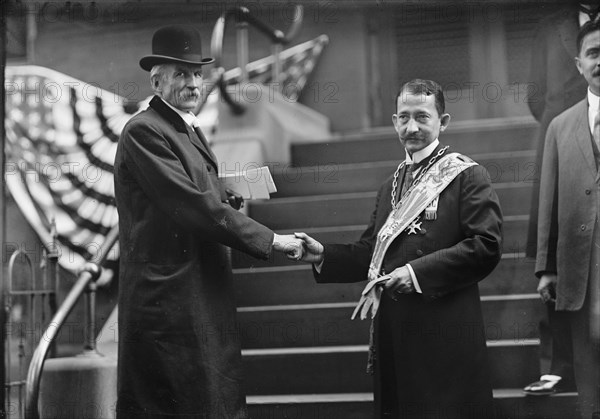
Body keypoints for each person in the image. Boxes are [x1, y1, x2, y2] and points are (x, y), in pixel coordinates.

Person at [113, 25, 302, 418]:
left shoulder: (181, 128)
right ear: (157, 80)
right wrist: (272, 240)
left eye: (198, 73)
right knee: (185, 402)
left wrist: (228, 187)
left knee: (209, 399)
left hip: (195, 290)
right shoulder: (144, 131)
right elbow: (190, 205)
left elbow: (196, 191)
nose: (194, 83)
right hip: (169, 300)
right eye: (182, 73)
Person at [295, 79, 503, 419]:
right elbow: (371, 253)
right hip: (395, 331)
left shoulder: (467, 175)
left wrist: (416, 273)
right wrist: (322, 255)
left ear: (443, 122)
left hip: (444, 329)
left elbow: (486, 246)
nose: (412, 127)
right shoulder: (390, 183)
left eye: (422, 117)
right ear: (394, 122)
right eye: (404, 117)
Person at [524, 0, 595, 396]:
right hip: (563, 141)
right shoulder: (550, 25)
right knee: (553, 243)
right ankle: (559, 363)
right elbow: (536, 96)